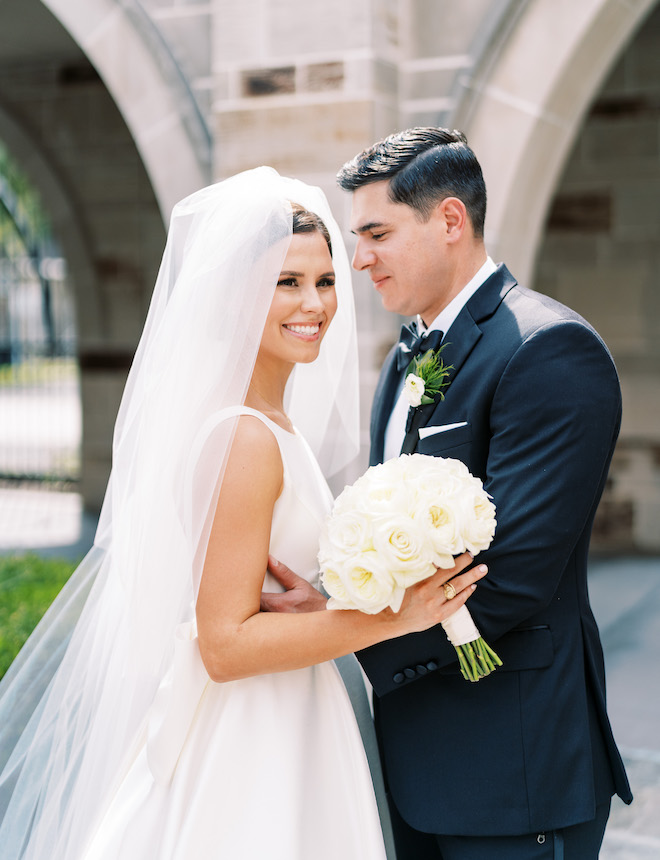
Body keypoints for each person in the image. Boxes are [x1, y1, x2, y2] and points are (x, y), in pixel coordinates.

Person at [0, 167, 485, 860]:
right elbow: (223, 646)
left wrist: (326, 607)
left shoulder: (267, 422)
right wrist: (392, 615)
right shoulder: (245, 437)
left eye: (323, 281)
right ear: (233, 299)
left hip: (293, 714)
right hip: (250, 740)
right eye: (286, 282)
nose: (313, 302)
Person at [266, 129, 633, 859]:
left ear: (451, 221)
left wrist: (344, 636)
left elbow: (514, 579)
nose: (358, 258)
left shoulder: (547, 350)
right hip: (415, 766)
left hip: (514, 771)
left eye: (376, 233)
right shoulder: (409, 354)